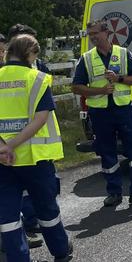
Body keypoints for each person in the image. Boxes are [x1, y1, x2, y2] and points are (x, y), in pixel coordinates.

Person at [71, 20, 132, 207]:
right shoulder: (87, 58)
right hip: (100, 113)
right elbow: (76, 87)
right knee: (107, 152)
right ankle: (114, 193)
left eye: (96, 33)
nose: (93, 37)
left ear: (107, 33)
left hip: (124, 110)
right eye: (90, 35)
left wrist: (119, 78)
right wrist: (100, 91)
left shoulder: (123, 53)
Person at [0, 34, 73, 262]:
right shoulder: (38, 79)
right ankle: (60, 251)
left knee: (7, 215)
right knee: (46, 209)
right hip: (34, 159)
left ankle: (18, 258)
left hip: (3, 161)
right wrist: (12, 145)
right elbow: (40, 119)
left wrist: (3, 148)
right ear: (30, 53)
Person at [6, 25, 49, 249]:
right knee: (41, 201)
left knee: (10, 202)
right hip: (28, 149)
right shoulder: (36, 76)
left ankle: (21, 235)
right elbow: (41, 118)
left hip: (8, 151)